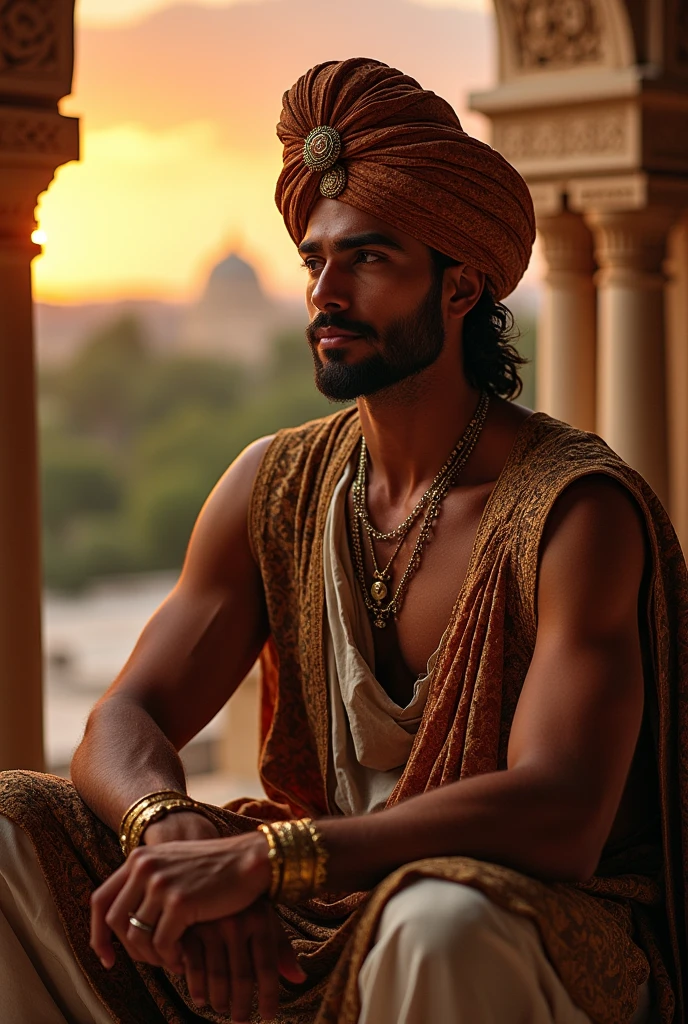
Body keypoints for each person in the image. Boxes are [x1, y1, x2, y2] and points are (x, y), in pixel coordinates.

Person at [0, 56, 685, 1024]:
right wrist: (173, 831)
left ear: (462, 286)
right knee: (6, 824)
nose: (325, 291)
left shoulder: (571, 511)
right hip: (302, 912)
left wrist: (273, 857)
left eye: (366, 258)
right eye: (315, 260)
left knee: (432, 918)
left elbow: (560, 811)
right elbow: (126, 716)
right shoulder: (272, 484)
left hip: (517, 925)